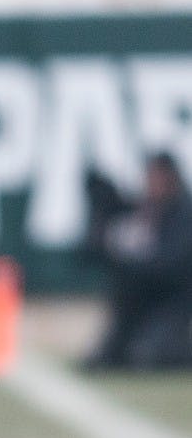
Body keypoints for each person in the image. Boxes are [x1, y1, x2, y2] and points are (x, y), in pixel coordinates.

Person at [80, 151, 192, 373]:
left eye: (157, 177)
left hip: (171, 308)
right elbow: (93, 249)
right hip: (138, 309)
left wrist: (132, 259)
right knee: (105, 360)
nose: (151, 184)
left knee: (146, 356)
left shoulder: (183, 216)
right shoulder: (143, 210)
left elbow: (169, 269)